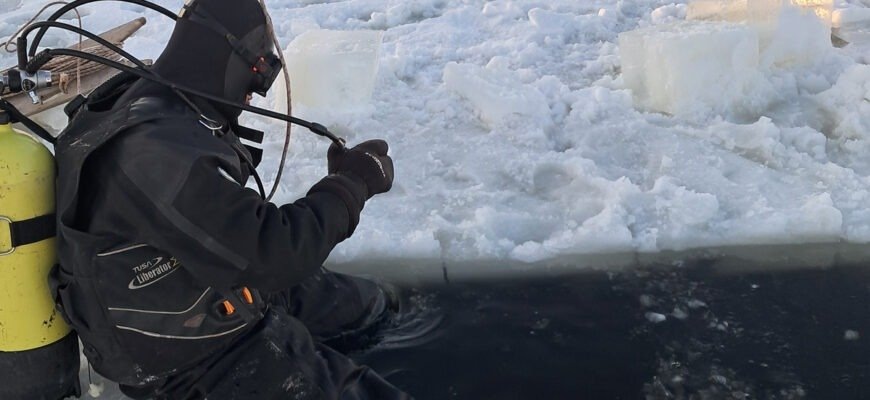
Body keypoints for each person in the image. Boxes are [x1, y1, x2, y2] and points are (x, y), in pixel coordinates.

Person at [48, 0, 411, 398]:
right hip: (186, 354)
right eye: (257, 79)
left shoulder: (162, 98)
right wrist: (350, 184)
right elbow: (274, 253)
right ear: (234, 62)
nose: (253, 97)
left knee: (369, 306)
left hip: (209, 278)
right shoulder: (152, 156)